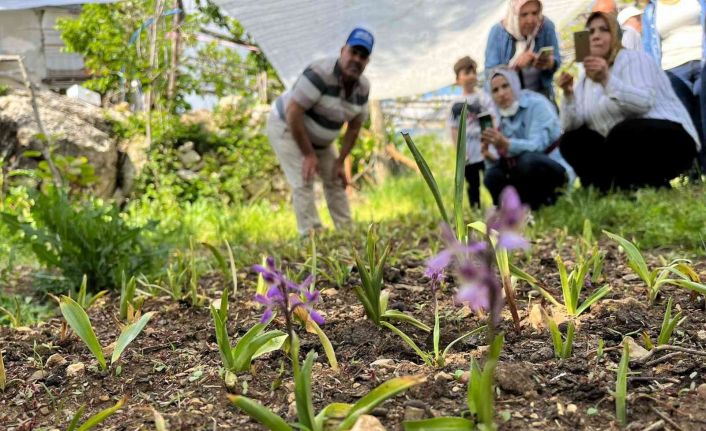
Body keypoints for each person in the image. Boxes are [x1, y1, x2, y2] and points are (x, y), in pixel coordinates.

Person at [558, 11, 700, 191]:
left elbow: (643, 103)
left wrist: (607, 80)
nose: (596, 36)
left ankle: (650, 182)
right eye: (591, 31)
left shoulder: (636, 59)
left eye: (603, 30)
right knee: (573, 139)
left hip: (671, 141)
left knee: (624, 132)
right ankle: (610, 187)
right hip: (622, 147)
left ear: (616, 36)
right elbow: (570, 125)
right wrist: (568, 94)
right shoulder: (585, 78)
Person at [266, 28, 374, 236]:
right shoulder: (320, 74)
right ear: (343, 51)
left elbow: (353, 128)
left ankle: (346, 229)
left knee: (335, 177)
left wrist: (341, 160)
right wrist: (308, 154)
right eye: (353, 52)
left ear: (367, 61)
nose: (357, 59)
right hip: (287, 126)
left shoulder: (363, 88)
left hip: (322, 140)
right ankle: (311, 233)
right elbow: (293, 112)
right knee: (303, 177)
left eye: (363, 56)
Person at [481, 67, 569, 210]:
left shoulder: (536, 104)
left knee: (527, 161)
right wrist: (489, 155)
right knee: (492, 175)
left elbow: (537, 146)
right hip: (521, 172)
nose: (501, 94)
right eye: (495, 90)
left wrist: (506, 143)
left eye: (505, 86)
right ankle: (512, 210)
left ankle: (547, 201)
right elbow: (501, 160)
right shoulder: (497, 115)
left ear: (515, 84)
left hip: (551, 168)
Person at [643, 0, 705, 169]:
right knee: (685, 117)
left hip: (701, 59)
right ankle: (694, 168)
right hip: (671, 68)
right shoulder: (650, 11)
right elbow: (648, 48)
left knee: (703, 112)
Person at [485, 0, 561, 101]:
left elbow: (557, 59)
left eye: (535, 13)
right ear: (515, 15)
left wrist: (550, 63)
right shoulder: (498, 33)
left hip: (543, 96)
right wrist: (515, 67)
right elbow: (490, 74)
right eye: (524, 15)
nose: (530, 20)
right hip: (512, 101)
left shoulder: (545, 27)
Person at [448, 56, 496, 208]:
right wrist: (459, 152)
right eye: (466, 73)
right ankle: (475, 209)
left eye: (473, 72)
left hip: (485, 147)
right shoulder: (455, 104)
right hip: (468, 151)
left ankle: (498, 205)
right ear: (457, 79)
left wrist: (490, 144)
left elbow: (493, 119)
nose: (470, 76)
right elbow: (454, 128)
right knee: (472, 182)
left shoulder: (484, 98)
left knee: (492, 177)